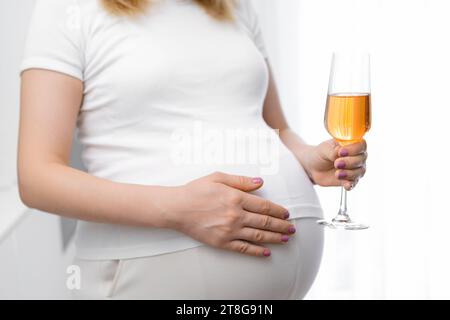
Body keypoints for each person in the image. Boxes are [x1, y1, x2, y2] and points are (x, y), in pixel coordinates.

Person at [18, 0, 368, 299]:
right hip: (138, 270)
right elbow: (37, 178)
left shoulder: (232, 7)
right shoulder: (68, 9)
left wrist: (308, 158)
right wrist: (179, 210)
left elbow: (275, 129)